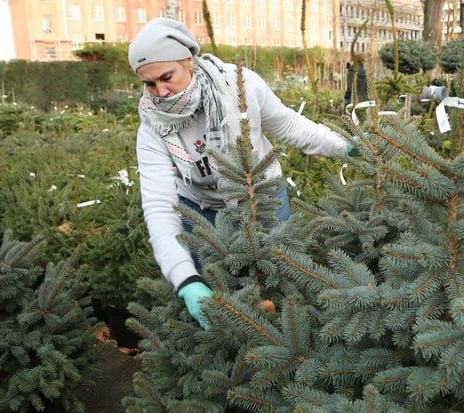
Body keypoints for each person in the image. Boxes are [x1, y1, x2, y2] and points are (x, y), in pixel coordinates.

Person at [128, 18, 353, 327]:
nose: (161, 91)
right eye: (150, 84)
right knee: (219, 299)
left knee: (280, 286)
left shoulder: (240, 85)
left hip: (262, 197)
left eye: (167, 77)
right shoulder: (153, 126)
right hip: (201, 212)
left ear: (188, 61)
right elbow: (159, 206)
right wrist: (185, 281)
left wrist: (344, 147)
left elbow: (289, 125)